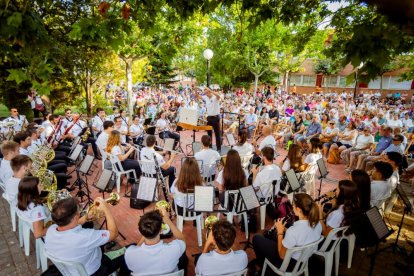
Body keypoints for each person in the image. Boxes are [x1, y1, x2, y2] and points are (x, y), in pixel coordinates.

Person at [45, 197, 129, 275]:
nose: (80, 213)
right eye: (78, 212)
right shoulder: (85, 236)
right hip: (95, 271)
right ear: (74, 217)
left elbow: (71, 224)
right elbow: (114, 233)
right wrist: (107, 210)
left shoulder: (51, 229)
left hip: (71, 271)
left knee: (99, 241)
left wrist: (86, 217)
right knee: (129, 253)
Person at [252, 193, 322, 272]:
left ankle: (262, 264)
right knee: (274, 234)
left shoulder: (293, 231)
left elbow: (282, 255)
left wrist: (280, 232)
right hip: (304, 259)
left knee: (256, 239)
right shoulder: (318, 224)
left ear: (299, 209)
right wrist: (284, 229)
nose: (292, 207)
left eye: (293, 205)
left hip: (288, 264)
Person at [125, 209, 187, 275]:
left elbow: (136, 249)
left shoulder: (129, 253)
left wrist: (146, 233)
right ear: (161, 230)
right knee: (183, 257)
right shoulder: (174, 249)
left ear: (141, 231)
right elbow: (182, 240)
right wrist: (167, 220)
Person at [194, 87, 222, 152]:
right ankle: (210, 147)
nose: (206, 94)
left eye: (207, 92)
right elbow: (197, 96)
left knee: (217, 134)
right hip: (209, 117)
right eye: (205, 93)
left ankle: (219, 148)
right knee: (209, 134)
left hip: (215, 117)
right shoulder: (206, 97)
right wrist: (195, 89)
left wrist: (211, 90)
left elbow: (218, 96)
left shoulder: (215, 97)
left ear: (210, 91)